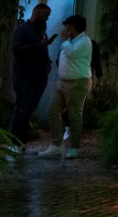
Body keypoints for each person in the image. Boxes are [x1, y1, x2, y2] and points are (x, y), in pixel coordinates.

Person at [40, 15, 93, 159]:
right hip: (62, 82)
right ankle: (56, 144)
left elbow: (72, 53)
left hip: (78, 82)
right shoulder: (69, 42)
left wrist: (64, 41)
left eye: (68, 28)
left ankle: (74, 148)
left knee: (74, 116)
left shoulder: (84, 41)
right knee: (52, 111)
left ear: (75, 28)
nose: (65, 31)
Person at [9, 2, 54, 145]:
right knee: (22, 108)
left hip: (39, 75)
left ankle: (20, 141)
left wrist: (47, 63)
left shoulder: (40, 31)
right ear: (36, 13)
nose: (47, 19)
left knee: (28, 109)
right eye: (45, 15)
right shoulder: (22, 30)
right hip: (25, 76)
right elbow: (17, 50)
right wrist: (39, 45)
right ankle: (16, 142)